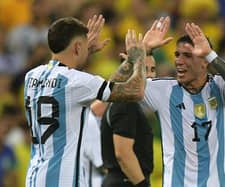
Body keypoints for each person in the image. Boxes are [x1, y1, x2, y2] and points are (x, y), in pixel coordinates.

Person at [23, 15, 147, 187]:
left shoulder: (32, 76)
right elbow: (136, 91)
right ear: (77, 47)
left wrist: (82, 50)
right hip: (62, 181)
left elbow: (86, 86)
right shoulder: (76, 82)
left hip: (34, 178)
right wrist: (139, 57)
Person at [140, 22, 225, 187]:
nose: (178, 61)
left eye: (187, 55)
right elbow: (117, 90)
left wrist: (211, 55)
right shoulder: (163, 90)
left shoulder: (219, 87)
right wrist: (143, 50)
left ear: (204, 62)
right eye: (177, 54)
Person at [100, 54, 157, 187]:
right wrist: (143, 185)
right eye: (144, 69)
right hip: (126, 181)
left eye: (153, 69)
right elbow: (123, 154)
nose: (150, 76)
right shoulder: (126, 104)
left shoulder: (123, 102)